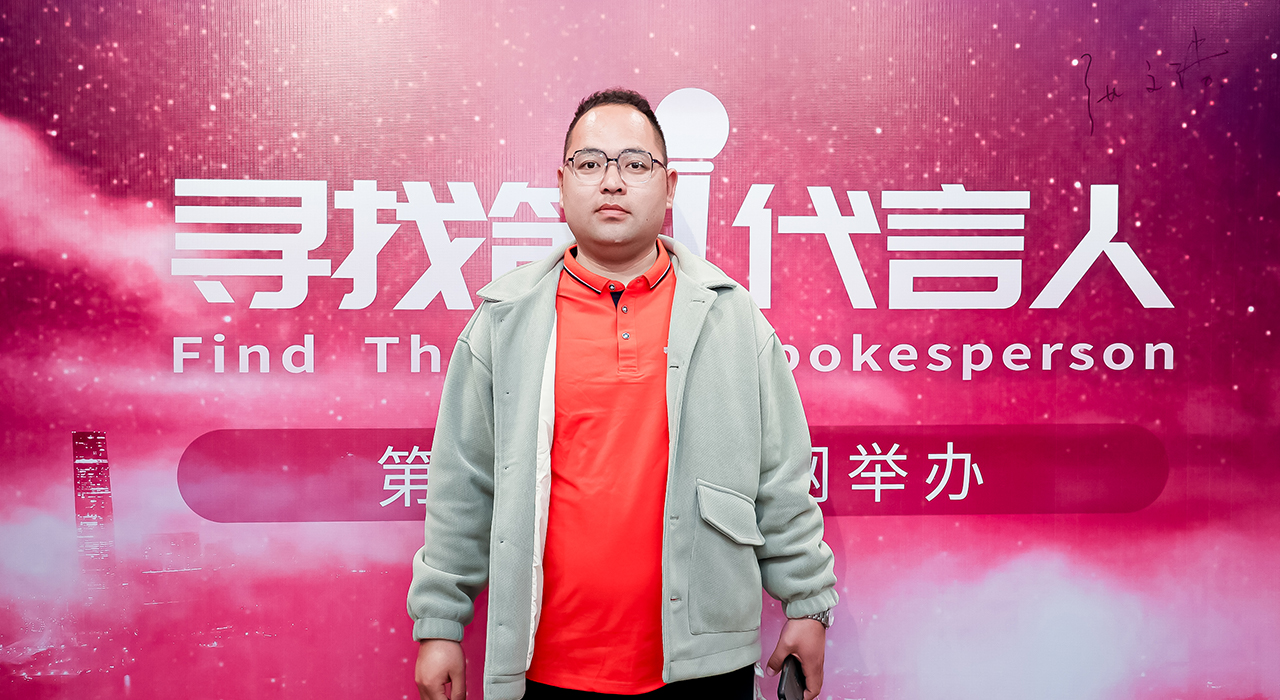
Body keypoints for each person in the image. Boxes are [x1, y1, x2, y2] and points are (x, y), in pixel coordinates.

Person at [408, 88, 837, 700]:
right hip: (544, 666)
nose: (611, 181)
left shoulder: (731, 317)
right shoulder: (505, 320)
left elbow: (781, 477)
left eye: (635, 163)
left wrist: (808, 602)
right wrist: (439, 624)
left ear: (670, 186)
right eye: (590, 163)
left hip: (703, 665)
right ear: (561, 187)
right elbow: (462, 484)